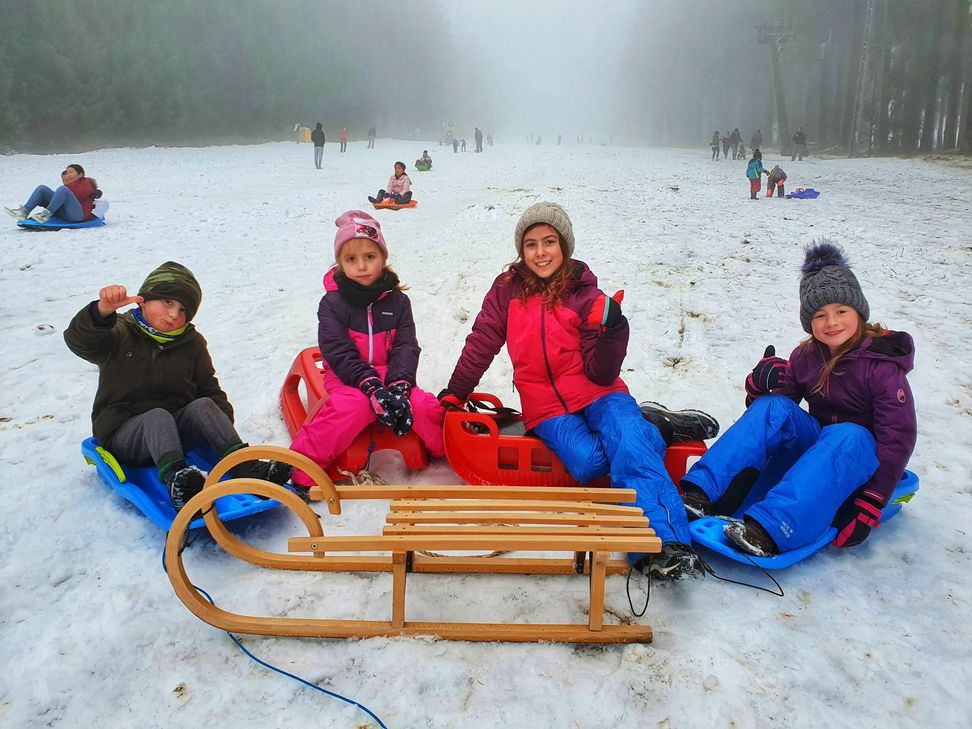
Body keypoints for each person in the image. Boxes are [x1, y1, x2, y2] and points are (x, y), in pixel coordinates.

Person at [439, 202, 719, 580]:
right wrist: (456, 391)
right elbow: (482, 340)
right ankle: (657, 427)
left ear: (564, 246)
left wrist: (614, 330)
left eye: (549, 242)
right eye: (531, 244)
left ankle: (662, 543)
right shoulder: (507, 291)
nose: (541, 252)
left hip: (599, 392)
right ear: (521, 250)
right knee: (590, 463)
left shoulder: (583, 292)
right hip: (545, 406)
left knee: (630, 443)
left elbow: (602, 373)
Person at [678, 241, 916, 557]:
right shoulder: (806, 356)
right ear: (809, 321)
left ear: (858, 312)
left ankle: (772, 529)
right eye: (820, 315)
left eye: (841, 311)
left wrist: (870, 503)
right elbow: (775, 418)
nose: (832, 323)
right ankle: (700, 493)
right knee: (774, 407)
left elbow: (896, 440)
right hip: (817, 455)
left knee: (849, 433)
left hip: (859, 463)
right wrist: (759, 386)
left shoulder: (881, 368)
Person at [64, 262, 294, 511]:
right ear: (143, 301)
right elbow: (80, 342)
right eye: (168, 302)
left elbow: (208, 386)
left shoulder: (192, 343)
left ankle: (245, 467)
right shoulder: (118, 332)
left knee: (204, 404)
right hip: (124, 433)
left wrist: (217, 425)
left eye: (183, 310)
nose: (174, 314)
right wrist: (101, 313)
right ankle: (179, 482)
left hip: (174, 429)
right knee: (157, 417)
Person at [289, 211, 445, 485]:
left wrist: (399, 384)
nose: (361, 266)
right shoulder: (332, 305)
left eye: (369, 257)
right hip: (348, 379)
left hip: (390, 373)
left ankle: (449, 454)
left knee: (420, 405)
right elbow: (338, 351)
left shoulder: (398, 302)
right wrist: (370, 385)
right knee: (353, 407)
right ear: (340, 264)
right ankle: (302, 471)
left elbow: (406, 346)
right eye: (351, 259)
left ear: (383, 260)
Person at [6, 163, 99, 224]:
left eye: (71, 172)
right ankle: (24, 211)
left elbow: (78, 194)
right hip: (66, 213)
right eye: (67, 172)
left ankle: (46, 215)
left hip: (79, 215)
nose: (68, 174)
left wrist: (60, 194)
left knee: (62, 189)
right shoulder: (68, 186)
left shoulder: (86, 182)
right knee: (42, 188)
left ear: (80, 174)